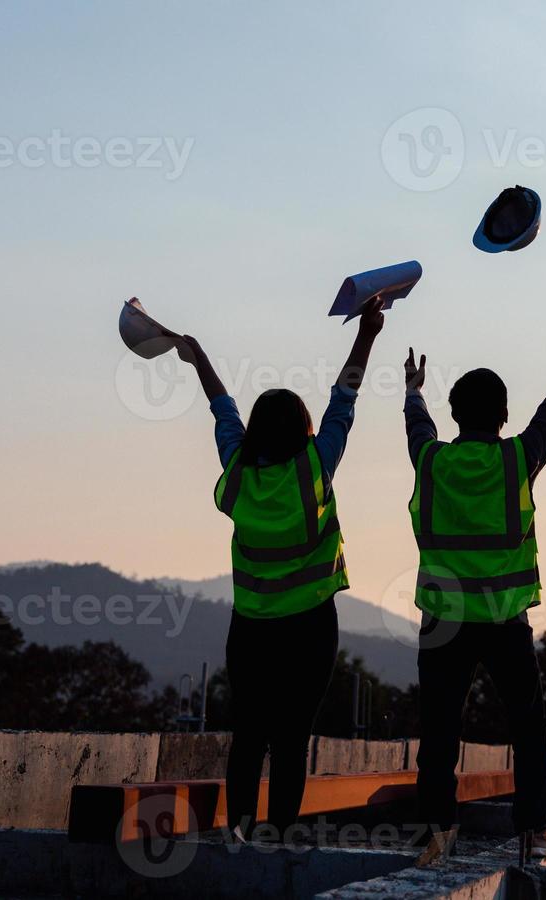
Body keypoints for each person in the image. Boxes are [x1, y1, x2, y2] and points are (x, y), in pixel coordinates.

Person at [402, 295, 546, 864]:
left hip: (444, 621)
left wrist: (412, 390)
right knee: (529, 729)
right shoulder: (518, 460)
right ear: (504, 417)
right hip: (505, 621)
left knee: (438, 734)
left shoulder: (431, 461)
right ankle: (534, 830)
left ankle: (437, 832)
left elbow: (417, 425)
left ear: (456, 414)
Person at [173, 297, 386, 842]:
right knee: (293, 738)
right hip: (311, 626)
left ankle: (239, 833)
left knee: (249, 735)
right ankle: (282, 836)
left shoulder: (237, 470)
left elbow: (222, 409)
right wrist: (367, 333)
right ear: (304, 430)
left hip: (250, 629)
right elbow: (346, 396)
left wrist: (197, 356)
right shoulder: (315, 467)